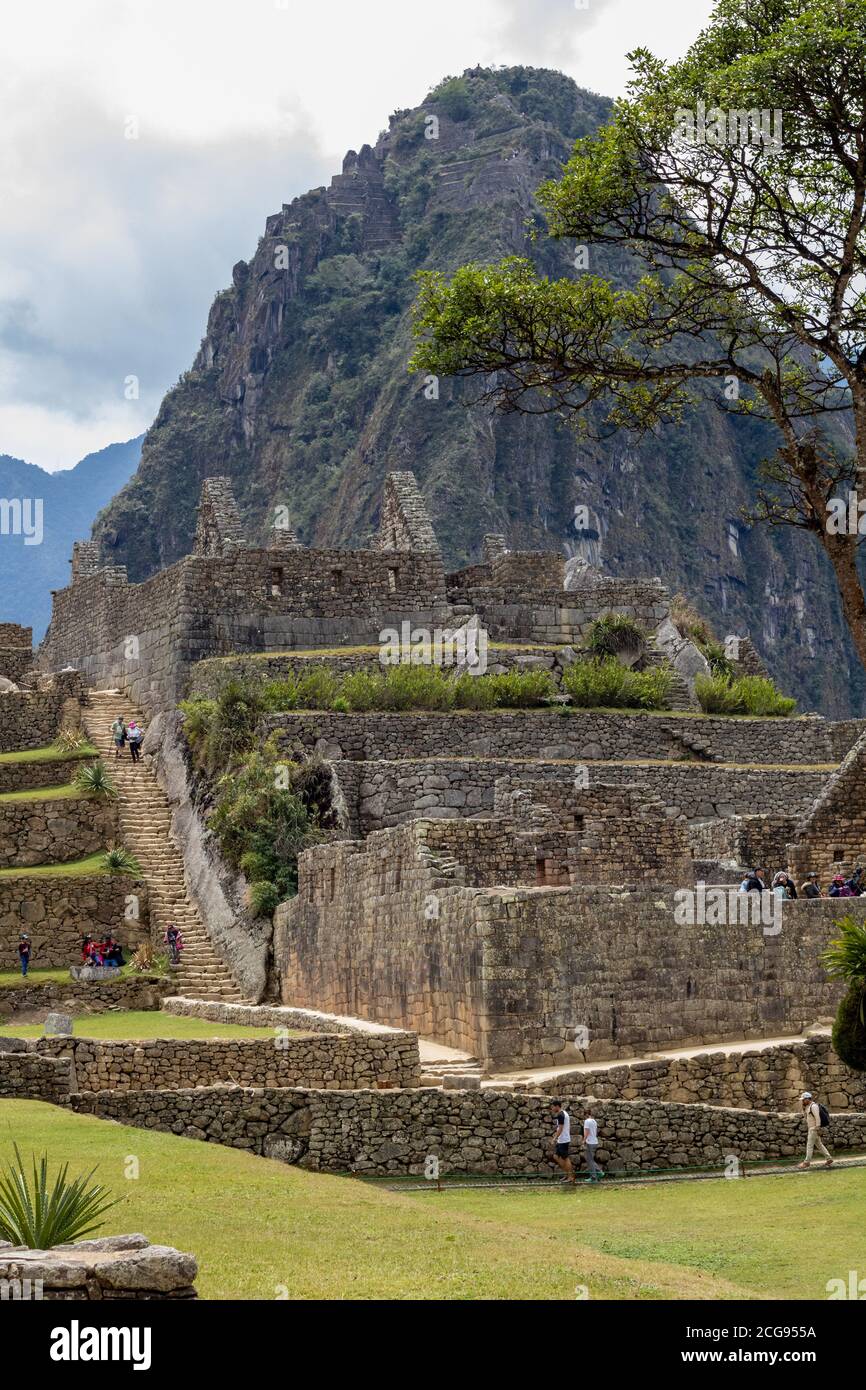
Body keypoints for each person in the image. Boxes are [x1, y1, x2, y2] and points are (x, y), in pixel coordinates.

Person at [798, 1092, 833, 1169]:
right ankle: (829, 1158)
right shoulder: (808, 1106)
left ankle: (806, 1162)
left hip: (814, 1129)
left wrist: (817, 1128)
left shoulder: (813, 1106)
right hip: (812, 1129)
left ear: (807, 1099)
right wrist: (803, 1108)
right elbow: (806, 1117)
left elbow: (817, 1118)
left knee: (809, 1145)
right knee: (819, 1145)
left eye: (803, 1100)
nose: (802, 1101)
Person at [549, 1101, 575, 1185]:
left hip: (563, 1140)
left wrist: (554, 1138)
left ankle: (570, 1177)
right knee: (556, 1156)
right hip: (562, 1139)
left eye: (553, 1107)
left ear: (557, 1106)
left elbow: (560, 1128)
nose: (552, 1109)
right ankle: (567, 1174)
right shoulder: (564, 1113)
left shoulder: (561, 1115)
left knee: (565, 1158)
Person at [582, 1108, 604, 1183]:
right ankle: (599, 1172)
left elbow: (586, 1132)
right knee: (590, 1159)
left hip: (590, 1142)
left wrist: (583, 1141)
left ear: (586, 1114)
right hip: (595, 1141)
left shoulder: (587, 1121)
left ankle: (594, 1178)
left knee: (590, 1161)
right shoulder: (594, 1121)